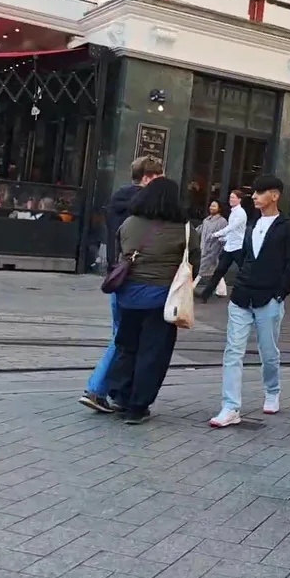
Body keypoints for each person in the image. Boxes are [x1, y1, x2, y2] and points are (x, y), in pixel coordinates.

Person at [208, 175, 290, 428]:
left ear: (275, 196)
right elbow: (248, 257)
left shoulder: (289, 227)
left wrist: (280, 294)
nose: (254, 196)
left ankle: (272, 391)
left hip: (269, 298)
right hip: (241, 295)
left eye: (260, 192)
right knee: (233, 351)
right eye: (254, 192)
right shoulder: (252, 224)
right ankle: (230, 407)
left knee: (268, 351)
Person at [104, 177, 199, 424]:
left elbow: (117, 253)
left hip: (128, 296)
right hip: (161, 300)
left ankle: (120, 396)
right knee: (153, 353)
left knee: (127, 346)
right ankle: (138, 406)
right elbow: (193, 263)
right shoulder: (184, 229)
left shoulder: (129, 223)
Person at [79, 156, 164, 413]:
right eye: (159, 178)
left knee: (123, 336)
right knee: (122, 338)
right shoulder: (143, 207)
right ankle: (97, 389)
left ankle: (114, 391)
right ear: (147, 178)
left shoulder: (117, 200)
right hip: (135, 278)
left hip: (117, 275)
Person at [199, 189, 254, 302]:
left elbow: (231, 228)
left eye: (233, 197)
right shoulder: (233, 212)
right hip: (229, 247)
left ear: (239, 200)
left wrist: (216, 234)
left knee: (244, 272)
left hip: (238, 247)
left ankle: (251, 293)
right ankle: (205, 295)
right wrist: (223, 238)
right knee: (219, 271)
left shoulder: (241, 213)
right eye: (230, 197)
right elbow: (232, 231)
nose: (231, 199)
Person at [195, 200, 227, 285]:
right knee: (215, 272)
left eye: (214, 206)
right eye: (211, 206)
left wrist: (218, 251)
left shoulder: (222, 221)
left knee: (201, 271)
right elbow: (199, 230)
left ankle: (191, 287)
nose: (211, 208)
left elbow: (223, 237)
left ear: (219, 208)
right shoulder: (206, 220)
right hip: (203, 249)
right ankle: (221, 289)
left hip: (213, 251)